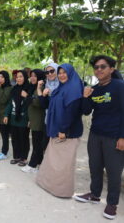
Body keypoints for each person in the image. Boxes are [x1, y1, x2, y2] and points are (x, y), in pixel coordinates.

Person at [74, 55, 124, 220]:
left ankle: (112, 203)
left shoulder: (120, 87)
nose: (99, 70)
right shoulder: (94, 89)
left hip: (114, 136)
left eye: (103, 66)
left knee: (114, 171)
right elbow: (86, 111)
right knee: (94, 166)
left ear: (112, 69)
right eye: (96, 67)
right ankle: (95, 195)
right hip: (95, 134)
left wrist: (122, 137)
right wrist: (85, 96)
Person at [36, 63, 83, 198]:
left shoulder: (73, 89)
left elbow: (71, 112)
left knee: (63, 166)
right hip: (56, 129)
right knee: (53, 161)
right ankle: (49, 186)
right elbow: (48, 105)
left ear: (71, 73)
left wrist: (63, 130)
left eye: (64, 72)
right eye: (60, 72)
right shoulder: (60, 88)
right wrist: (42, 93)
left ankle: (61, 191)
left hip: (66, 133)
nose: (61, 75)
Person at [21, 69, 46, 173]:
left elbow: (38, 103)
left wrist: (27, 96)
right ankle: (39, 164)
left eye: (35, 76)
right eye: (31, 76)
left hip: (39, 120)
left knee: (37, 144)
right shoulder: (33, 88)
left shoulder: (41, 88)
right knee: (37, 143)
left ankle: (32, 164)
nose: (32, 78)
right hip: (34, 119)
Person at [3, 70, 30, 166]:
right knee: (14, 139)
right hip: (14, 119)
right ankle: (17, 156)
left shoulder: (28, 89)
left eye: (21, 76)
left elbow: (30, 105)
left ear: (25, 78)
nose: (18, 78)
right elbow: (10, 103)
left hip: (23, 119)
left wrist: (26, 96)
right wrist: (6, 115)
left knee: (23, 139)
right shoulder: (14, 89)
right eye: (17, 77)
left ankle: (24, 158)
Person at [0, 70, 12, 160]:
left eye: (2, 77)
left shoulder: (9, 88)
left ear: (6, 78)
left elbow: (3, 100)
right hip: (0, 114)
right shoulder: (0, 87)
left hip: (6, 115)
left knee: (5, 134)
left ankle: (4, 152)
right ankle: (4, 151)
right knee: (3, 134)